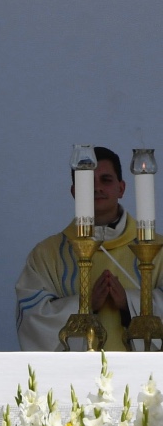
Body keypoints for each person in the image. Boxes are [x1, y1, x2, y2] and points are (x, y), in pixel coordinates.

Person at [16, 146, 163, 351]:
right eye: (88, 182)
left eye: (106, 180)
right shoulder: (47, 254)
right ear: (74, 191)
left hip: (143, 377)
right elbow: (33, 318)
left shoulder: (158, 250)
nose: (97, 188)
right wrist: (85, 305)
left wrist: (128, 303)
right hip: (74, 378)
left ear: (121, 188)